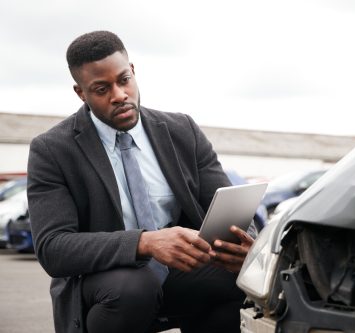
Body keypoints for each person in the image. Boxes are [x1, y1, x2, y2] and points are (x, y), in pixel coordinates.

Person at [27, 30, 254, 333]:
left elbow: (228, 202)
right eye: (101, 88)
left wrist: (244, 245)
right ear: (81, 92)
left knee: (238, 278)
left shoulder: (181, 130)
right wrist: (145, 243)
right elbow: (53, 248)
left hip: (177, 276)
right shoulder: (52, 150)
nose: (119, 95)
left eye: (123, 80)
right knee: (135, 285)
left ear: (133, 71)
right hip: (108, 285)